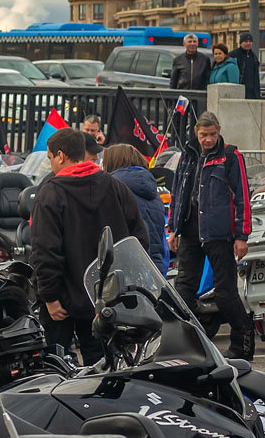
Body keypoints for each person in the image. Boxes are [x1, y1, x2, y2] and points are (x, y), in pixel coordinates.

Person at [30, 128, 148, 365]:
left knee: (58, 365)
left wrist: (50, 297)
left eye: (50, 157)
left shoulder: (50, 193)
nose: (51, 163)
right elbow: (139, 239)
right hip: (108, 300)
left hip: (63, 302)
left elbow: (45, 251)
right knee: (106, 367)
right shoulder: (116, 187)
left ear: (61, 156)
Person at [169, 111, 254, 358]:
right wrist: (173, 229)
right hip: (190, 230)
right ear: (196, 132)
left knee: (225, 292)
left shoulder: (230, 156)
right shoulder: (187, 154)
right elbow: (178, 193)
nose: (208, 139)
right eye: (204, 134)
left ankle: (242, 343)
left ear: (219, 131)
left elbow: (243, 197)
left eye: (212, 134)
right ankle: (185, 342)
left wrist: (242, 236)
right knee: (184, 288)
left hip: (221, 234)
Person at [103, 144, 168, 275]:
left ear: (112, 162)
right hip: (154, 267)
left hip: (126, 268)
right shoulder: (154, 194)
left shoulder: (113, 190)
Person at [233, 32, 261, 99]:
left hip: (252, 93)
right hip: (238, 91)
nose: (248, 43)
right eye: (245, 41)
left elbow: (256, 77)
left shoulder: (254, 57)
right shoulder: (234, 55)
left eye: (250, 41)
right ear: (241, 42)